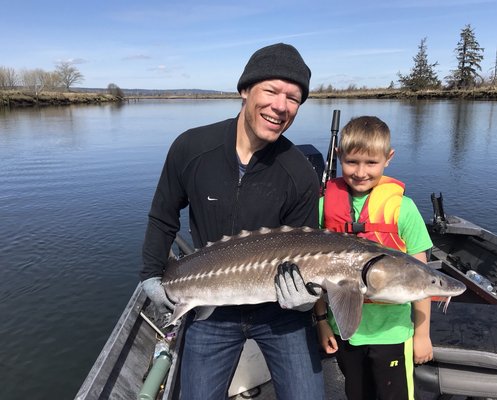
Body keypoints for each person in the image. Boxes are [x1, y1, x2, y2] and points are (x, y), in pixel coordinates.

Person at [140, 43, 325, 400]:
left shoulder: (300, 173)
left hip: (280, 315)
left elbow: (309, 248)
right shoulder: (191, 149)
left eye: (294, 98)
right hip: (211, 308)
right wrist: (150, 274)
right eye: (271, 90)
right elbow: (163, 216)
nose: (281, 106)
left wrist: (306, 299)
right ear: (245, 90)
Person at [314, 116, 434, 400]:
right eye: (352, 162)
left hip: (392, 333)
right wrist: (321, 321)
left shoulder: (404, 210)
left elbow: (424, 282)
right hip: (345, 331)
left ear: (388, 158)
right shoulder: (323, 207)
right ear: (339, 156)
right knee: (356, 394)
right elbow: (314, 272)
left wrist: (422, 334)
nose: (360, 172)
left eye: (371, 163)